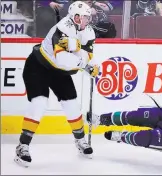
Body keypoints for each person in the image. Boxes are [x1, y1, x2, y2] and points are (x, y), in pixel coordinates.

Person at [14, 1, 99, 167]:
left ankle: (80, 141)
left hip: (58, 72)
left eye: (88, 18)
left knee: (72, 105)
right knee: (39, 103)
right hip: (38, 66)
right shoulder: (63, 27)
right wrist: (85, 65)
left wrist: (88, 60)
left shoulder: (88, 31)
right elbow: (63, 60)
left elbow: (88, 55)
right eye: (83, 18)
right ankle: (22, 145)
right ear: (75, 17)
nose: (86, 21)